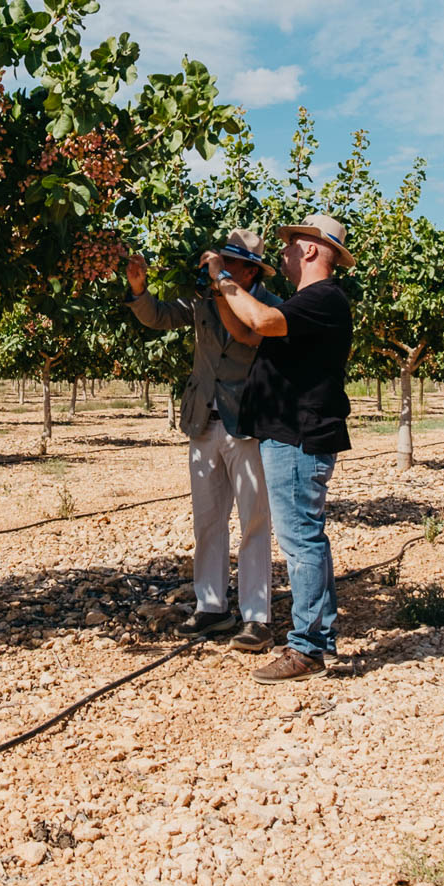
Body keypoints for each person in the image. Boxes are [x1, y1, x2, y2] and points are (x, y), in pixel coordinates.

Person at [207, 213, 354, 683]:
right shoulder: (308, 303)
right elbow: (247, 332)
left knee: (300, 541)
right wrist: (220, 292)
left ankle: (307, 647)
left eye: (291, 245)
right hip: (289, 435)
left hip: (298, 437)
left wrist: (222, 278)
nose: (285, 252)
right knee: (305, 539)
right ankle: (315, 637)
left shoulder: (324, 298)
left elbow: (263, 320)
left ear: (311, 250)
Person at [126, 230, 280, 653]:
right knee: (207, 520)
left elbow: (251, 335)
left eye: (231, 265)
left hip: (247, 424)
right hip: (203, 421)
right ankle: (212, 606)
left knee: (254, 523)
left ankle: (256, 617)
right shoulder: (203, 299)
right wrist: (139, 287)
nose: (222, 269)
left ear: (251, 271)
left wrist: (219, 289)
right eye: (220, 262)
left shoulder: (271, 308)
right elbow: (157, 316)